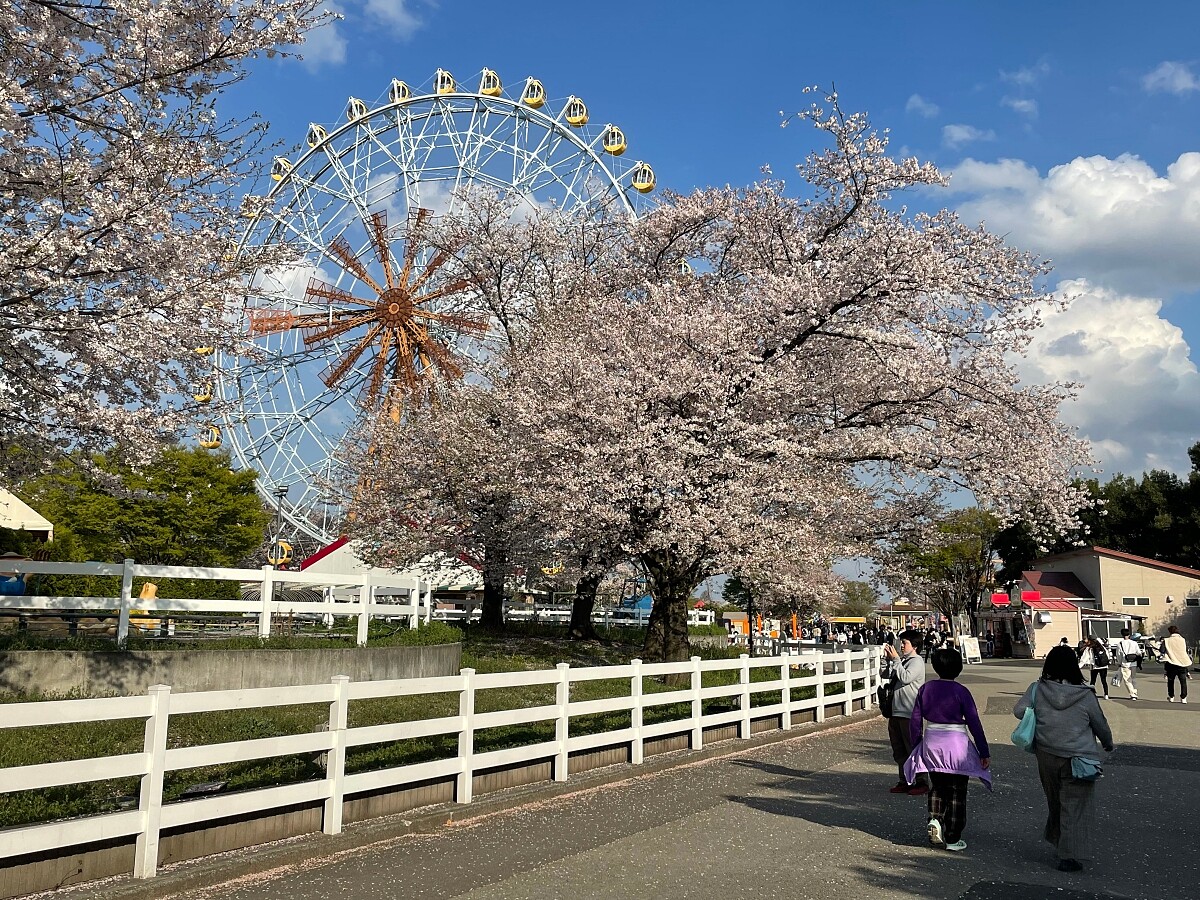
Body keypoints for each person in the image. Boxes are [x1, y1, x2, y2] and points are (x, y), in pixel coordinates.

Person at [1013, 646, 1114, 873]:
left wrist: (1038, 711)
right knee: (1075, 805)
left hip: (1046, 754)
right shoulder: (1085, 694)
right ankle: (1068, 855)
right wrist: (1107, 744)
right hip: (1078, 757)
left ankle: (1059, 840)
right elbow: (1100, 723)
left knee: (1055, 800)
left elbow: (1019, 711)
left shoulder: (1037, 689)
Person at [904, 648, 991, 852]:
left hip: (932, 741)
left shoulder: (926, 689)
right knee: (957, 791)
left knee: (937, 785)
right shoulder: (961, 691)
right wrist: (984, 751)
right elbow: (974, 722)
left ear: (935, 666)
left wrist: (916, 743)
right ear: (958, 668)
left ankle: (935, 820)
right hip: (956, 743)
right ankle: (953, 837)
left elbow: (915, 720)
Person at [882, 630, 928, 795]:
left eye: (905, 643)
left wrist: (896, 660)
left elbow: (906, 677)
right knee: (899, 749)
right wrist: (889, 661)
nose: (901, 646)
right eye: (901, 642)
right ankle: (905, 780)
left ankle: (921, 781)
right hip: (895, 711)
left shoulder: (917, 662)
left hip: (909, 712)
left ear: (914, 646)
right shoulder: (902, 660)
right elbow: (886, 675)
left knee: (913, 748)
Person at [1162, 625, 1192, 704]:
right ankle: (1183, 697)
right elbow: (1184, 650)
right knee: (1183, 681)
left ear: (1170, 632)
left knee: (1171, 681)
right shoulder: (1182, 640)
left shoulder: (1166, 640)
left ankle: (1171, 696)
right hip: (1181, 663)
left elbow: (1162, 650)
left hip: (1171, 663)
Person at [1113, 628, 1140, 701]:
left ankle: (1132, 694)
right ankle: (1135, 691)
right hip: (1133, 663)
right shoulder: (1134, 643)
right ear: (1129, 634)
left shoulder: (1120, 644)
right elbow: (1139, 652)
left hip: (1125, 663)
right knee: (1133, 678)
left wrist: (1119, 662)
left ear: (1122, 635)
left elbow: (1118, 654)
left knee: (1127, 680)